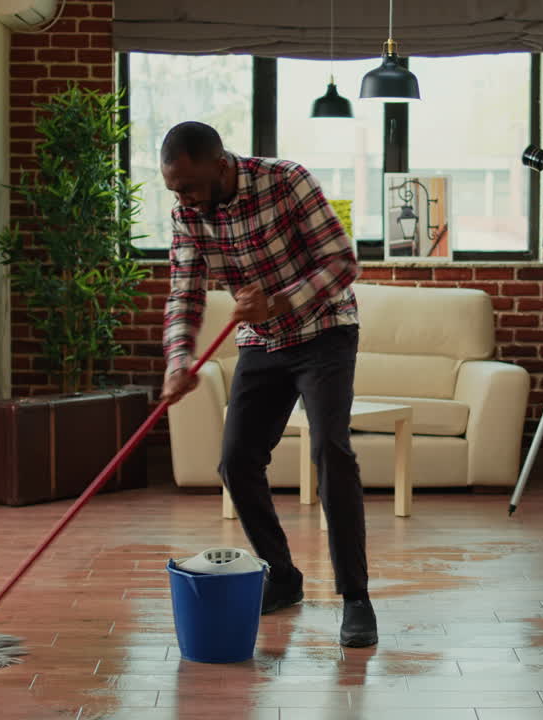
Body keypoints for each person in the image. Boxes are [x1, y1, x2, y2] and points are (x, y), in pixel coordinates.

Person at [157, 121, 376, 648]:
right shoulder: (188, 211)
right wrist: (177, 358)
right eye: (174, 190)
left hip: (324, 329)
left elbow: (344, 262)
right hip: (262, 341)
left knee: (330, 449)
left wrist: (279, 301)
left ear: (221, 165)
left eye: (188, 186)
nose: (183, 198)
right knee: (236, 460)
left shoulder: (286, 181)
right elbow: (184, 292)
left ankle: (356, 598)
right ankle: (282, 576)